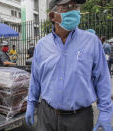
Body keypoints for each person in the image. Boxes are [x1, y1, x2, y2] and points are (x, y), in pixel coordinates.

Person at [25, 0, 113, 131]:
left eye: (76, 6)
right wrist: (31, 103)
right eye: (68, 7)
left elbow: (102, 79)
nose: (75, 11)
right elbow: (36, 78)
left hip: (79, 119)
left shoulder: (91, 41)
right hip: (47, 115)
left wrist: (105, 112)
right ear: (53, 15)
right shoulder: (42, 45)